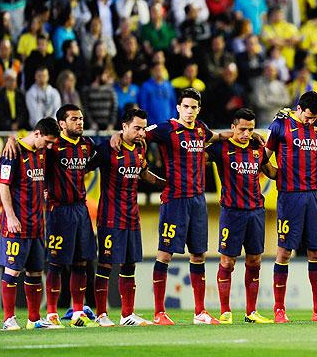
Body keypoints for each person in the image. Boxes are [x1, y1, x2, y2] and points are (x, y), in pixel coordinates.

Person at [113, 88, 233, 325]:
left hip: (198, 200)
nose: (189, 111)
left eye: (194, 107)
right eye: (186, 107)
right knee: (165, 254)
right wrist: (117, 135)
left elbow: (216, 137)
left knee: (198, 255)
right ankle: (159, 312)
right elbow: (138, 135)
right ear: (178, 108)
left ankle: (200, 312)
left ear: (199, 110)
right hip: (175, 200)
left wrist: (241, 135)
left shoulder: (201, 129)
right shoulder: (166, 128)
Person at [265, 91, 317, 323]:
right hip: (289, 196)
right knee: (284, 251)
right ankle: (279, 310)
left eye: (314, 118)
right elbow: (263, 158)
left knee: (316, 252)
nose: (310, 122)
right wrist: (276, 175)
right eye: (307, 117)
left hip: (314, 196)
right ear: (298, 108)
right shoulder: (279, 126)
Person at [90, 108, 162, 327]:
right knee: (105, 264)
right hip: (110, 216)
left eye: (142, 128)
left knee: (130, 265)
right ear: (124, 127)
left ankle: (127, 314)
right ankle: (101, 314)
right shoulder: (107, 148)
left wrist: (166, 184)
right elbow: (83, 167)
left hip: (132, 216)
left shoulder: (141, 148)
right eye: (136, 128)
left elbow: (144, 173)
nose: (141, 133)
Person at [206, 108, 277, 324]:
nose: (246, 134)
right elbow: (195, 154)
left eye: (250, 129)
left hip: (256, 211)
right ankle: (225, 311)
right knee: (227, 262)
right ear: (233, 127)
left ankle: (251, 312)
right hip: (232, 212)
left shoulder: (257, 147)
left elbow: (271, 172)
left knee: (254, 261)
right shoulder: (221, 148)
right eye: (242, 129)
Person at [0, 117, 61, 330]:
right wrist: (11, 216)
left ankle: (34, 319)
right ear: (37, 134)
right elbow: (3, 186)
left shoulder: (42, 152)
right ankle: (9, 319)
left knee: (35, 271)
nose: (50, 146)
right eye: (48, 141)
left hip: (36, 224)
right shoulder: (12, 153)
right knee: (12, 270)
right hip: (16, 224)